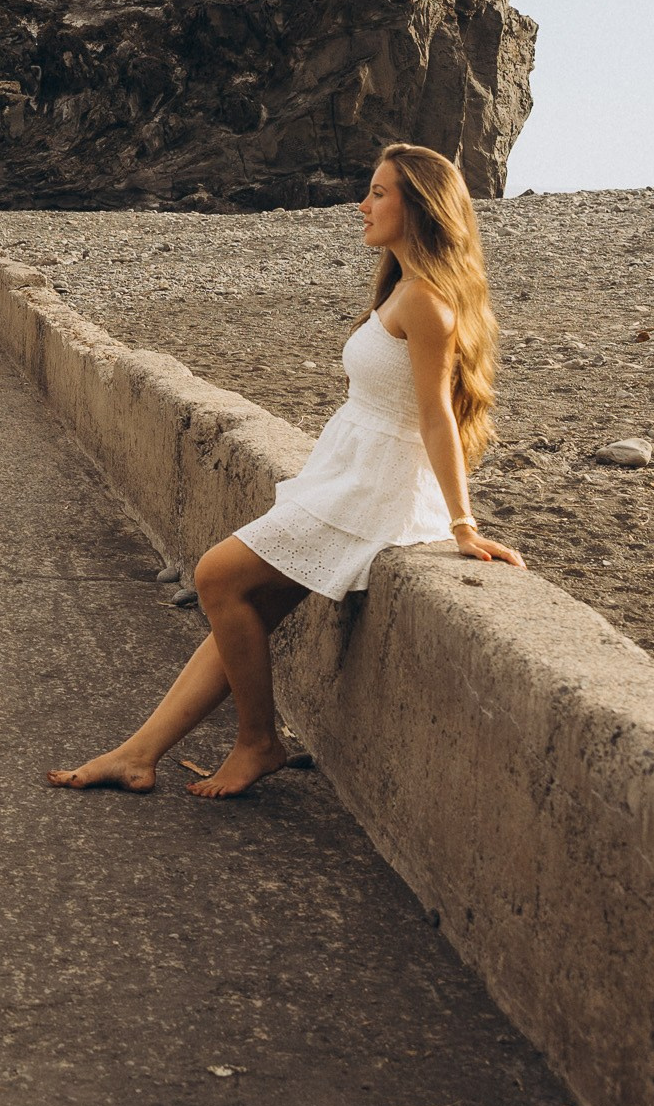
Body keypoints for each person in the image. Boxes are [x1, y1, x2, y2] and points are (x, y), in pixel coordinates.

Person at [51, 141, 524, 803]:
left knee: (217, 576)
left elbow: (435, 417)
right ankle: (138, 754)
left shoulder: (426, 304)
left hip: (373, 488)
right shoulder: (401, 291)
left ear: (419, 207)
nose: (361, 206)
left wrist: (462, 524)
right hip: (346, 474)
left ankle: (258, 743)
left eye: (379, 194)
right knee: (242, 607)